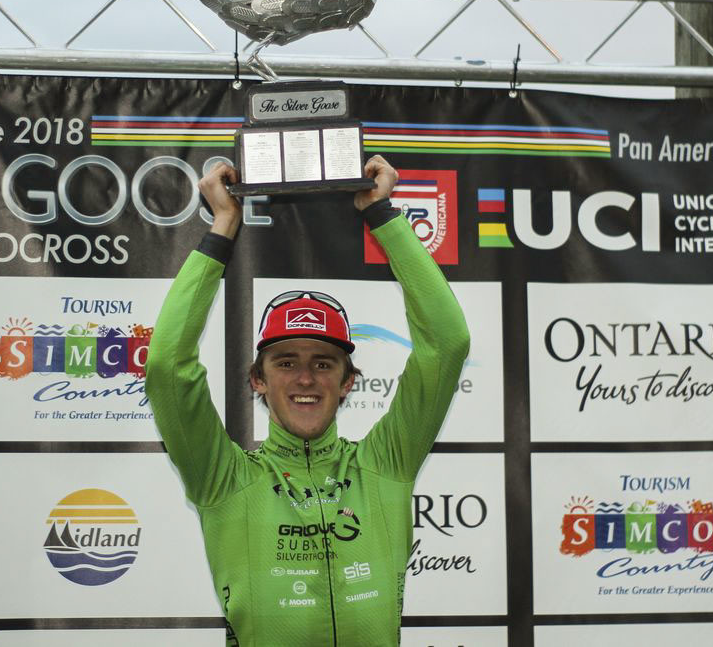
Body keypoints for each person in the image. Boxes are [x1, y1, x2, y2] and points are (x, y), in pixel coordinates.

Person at [145, 155, 470, 647]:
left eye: (323, 363)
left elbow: (447, 343)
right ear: (257, 380)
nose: (305, 378)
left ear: (347, 383)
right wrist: (224, 226)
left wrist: (382, 216)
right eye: (284, 362)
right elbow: (167, 365)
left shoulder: (385, 463)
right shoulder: (224, 478)